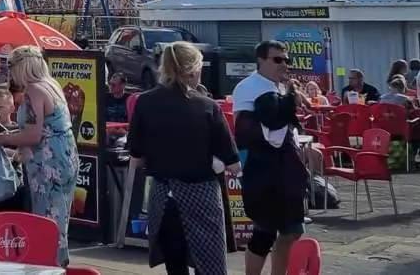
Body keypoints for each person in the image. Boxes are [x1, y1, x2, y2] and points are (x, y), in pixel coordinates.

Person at [129, 42, 238, 275]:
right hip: (201, 195)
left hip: (163, 196)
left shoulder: (145, 102)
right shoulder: (207, 106)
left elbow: (136, 157)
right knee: (209, 265)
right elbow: (233, 163)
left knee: (175, 265)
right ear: (193, 69)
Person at [0, 45, 78, 267]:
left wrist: (1, 139)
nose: (11, 74)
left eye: (12, 67)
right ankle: (60, 262)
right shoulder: (52, 84)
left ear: (23, 67)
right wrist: (12, 134)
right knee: (60, 219)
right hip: (65, 156)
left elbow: (33, 135)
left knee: (47, 219)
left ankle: (53, 267)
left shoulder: (33, 91)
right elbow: (45, 127)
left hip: (48, 163)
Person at [232, 41, 307, 275]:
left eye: (286, 59)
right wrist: (289, 101)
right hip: (262, 170)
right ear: (260, 61)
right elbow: (252, 130)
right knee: (264, 232)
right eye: (277, 59)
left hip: (285, 169)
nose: (283, 64)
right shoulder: (249, 86)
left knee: (293, 230)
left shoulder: (279, 87)